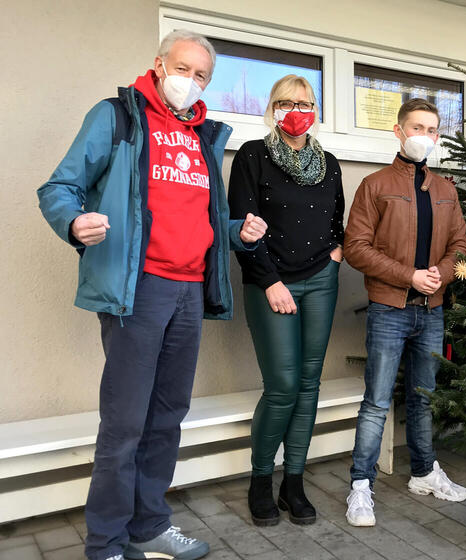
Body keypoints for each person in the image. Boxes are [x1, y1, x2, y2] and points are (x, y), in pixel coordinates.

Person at [37, 30, 266, 560]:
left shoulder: (204, 134)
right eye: (183, 68)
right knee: (125, 424)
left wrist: (236, 232)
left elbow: (200, 216)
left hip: (188, 291)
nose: (191, 81)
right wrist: (74, 222)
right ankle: (107, 542)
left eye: (202, 75)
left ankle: (149, 524)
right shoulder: (117, 117)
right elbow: (59, 187)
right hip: (137, 290)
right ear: (159, 65)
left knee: (167, 416)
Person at [343, 98, 466, 527]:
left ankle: (424, 473)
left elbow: (461, 247)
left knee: (424, 401)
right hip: (390, 309)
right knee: (377, 402)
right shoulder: (375, 185)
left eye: (432, 130)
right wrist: (408, 276)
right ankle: (360, 486)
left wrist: (442, 273)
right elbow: (357, 249)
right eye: (417, 127)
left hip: (431, 310)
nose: (425, 136)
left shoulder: (445, 190)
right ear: (398, 131)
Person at [228, 75, 344, 527]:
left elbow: (337, 219)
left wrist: (334, 256)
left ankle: (293, 481)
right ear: (272, 108)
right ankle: (260, 480)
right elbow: (242, 228)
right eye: (286, 102)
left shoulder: (329, 163)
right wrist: (270, 282)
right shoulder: (252, 157)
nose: (297, 110)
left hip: (321, 280)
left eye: (306, 102)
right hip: (270, 283)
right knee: (283, 387)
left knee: (310, 384)